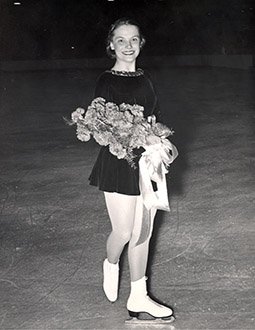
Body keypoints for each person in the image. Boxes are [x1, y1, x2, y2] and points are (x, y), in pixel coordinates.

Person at [88, 18, 174, 320]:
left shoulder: (146, 78)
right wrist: (137, 134)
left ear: (141, 44)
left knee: (143, 234)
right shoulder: (106, 80)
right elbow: (103, 124)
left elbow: (156, 115)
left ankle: (139, 296)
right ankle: (111, 263)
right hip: (117, 163)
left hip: (146, 163)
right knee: (124, 231)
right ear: (111, 45)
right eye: (121, 40)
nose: (128, 46)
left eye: (134, 40)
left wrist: (158, 139)